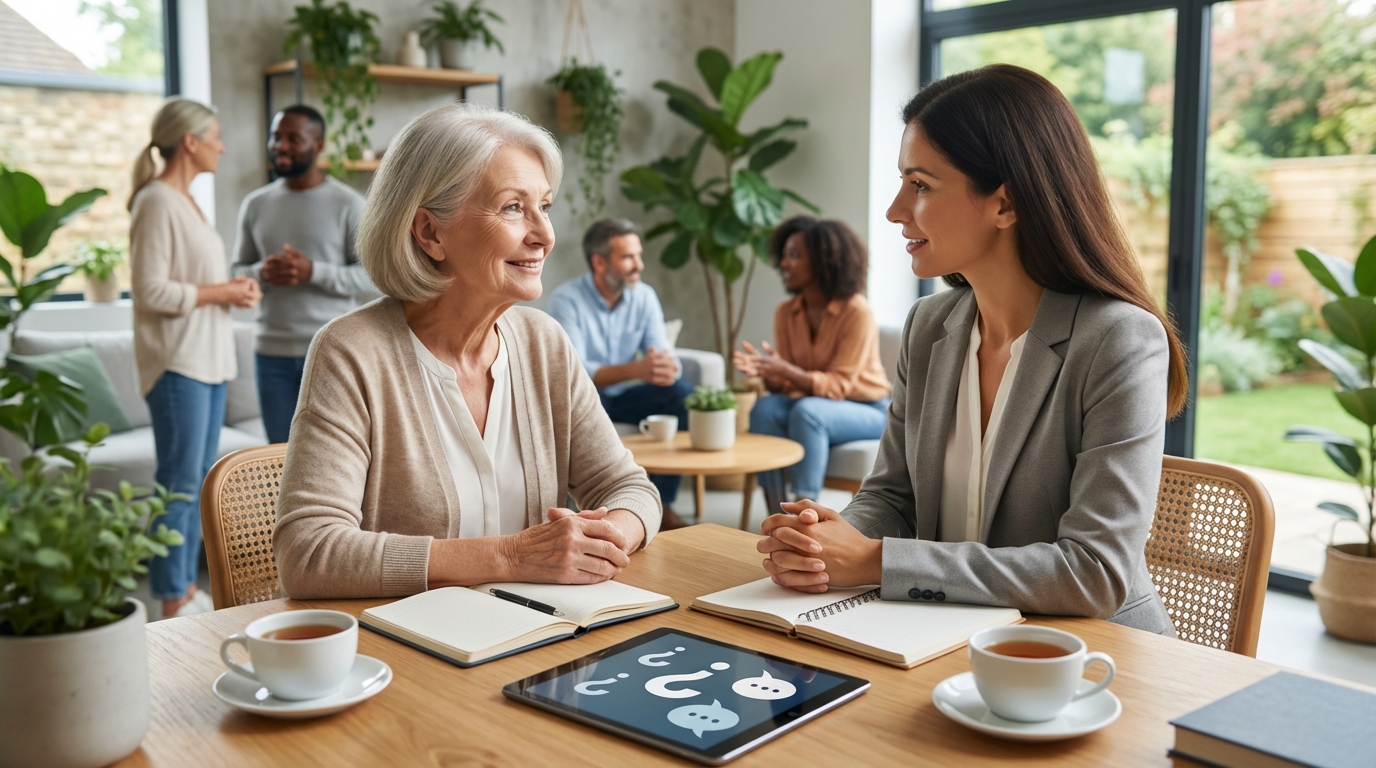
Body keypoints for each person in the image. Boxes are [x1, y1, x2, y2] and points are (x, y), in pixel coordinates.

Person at [756, 64, 1188, 635]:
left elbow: (1094, 573)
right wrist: (827, 539)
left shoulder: (1118, 340)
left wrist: (875, 561)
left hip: (1089, 659)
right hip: (949, 640)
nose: (894, 210)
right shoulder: (928, 326)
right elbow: (893, 495)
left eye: (921, 185)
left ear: (1005, 205)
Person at [273, 103, 661, 599]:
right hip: (414, 655)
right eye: (513, 207)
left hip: (537, 642)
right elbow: (308, 553)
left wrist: (603, 539)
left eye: (544, 206)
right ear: (430, 233)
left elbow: (630, 490)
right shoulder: (351, 352)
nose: (544, 235)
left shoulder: (545, 343)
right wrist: (513, 556)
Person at [128, 98, 262, 619]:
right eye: (215, 135)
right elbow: (149, 291)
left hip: (207, 362)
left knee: (198, 482)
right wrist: (220, 293)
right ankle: (169, 596)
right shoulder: (157, 202)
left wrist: (230, 290)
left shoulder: (186, 202)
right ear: (190, 141)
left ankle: (182, 590)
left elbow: (192, 283)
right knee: (179, 485)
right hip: (177, 364)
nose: (222, 145)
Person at [232, 105, 371, 444]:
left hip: (331, 352)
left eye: (293, 138)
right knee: (277, 460)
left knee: (334, 457)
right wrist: (263, 272)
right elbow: (237, 272)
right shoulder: (255, 204)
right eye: (276, 137)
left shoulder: (348, 204)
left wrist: (313, 272)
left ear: (318, 145)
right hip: (271, 354)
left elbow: (373, 278)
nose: (280, 145)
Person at [734, 216, 892, 514]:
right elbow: (787, 384)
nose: (784, 264)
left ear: (823, 261)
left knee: (809, 413)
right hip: (811, 402)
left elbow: (837, 386)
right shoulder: (787, 312)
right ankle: (776, 510)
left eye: (795, 256)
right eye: (783, 255)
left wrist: (784, 370)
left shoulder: (856, 312)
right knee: (764, 409)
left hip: (868, 409)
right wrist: (769, 372)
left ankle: (805, 514)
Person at [547, 218, 693, 527]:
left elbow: (659, 350)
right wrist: (638, 369)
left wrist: (666, 367)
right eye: (628, 257)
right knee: (564, 399)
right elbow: (575, 371)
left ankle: (663, 503)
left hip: (622, 397)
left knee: (680, 393)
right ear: (599, 262)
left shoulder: (644, 296)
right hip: (582, 400)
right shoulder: (566, 300)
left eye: (638, 256)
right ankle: (577, 508)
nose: (638, 265)